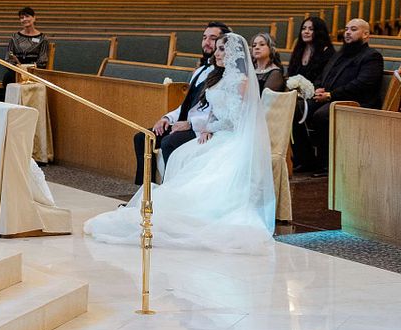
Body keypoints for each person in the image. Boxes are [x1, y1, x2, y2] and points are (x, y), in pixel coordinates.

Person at [87, 33, 276, 253]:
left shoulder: (242, 82)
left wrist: (207, 128)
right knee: (180, 154)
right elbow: (214, 110)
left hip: (233, 139)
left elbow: (236, 119)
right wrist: (207, 125)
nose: (217, 53)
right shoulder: (220, 77)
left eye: (222, 49)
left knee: (194, 162)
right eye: (217, 49)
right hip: (215, 132)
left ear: (235, 53)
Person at [131, 22, 230, 185]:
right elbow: (186, 105)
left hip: (202, 128)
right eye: (204, 38)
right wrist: (167, 119)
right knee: (143, 138)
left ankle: (169, 189)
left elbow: (218, 111)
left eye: (212, 39)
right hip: (184, 123)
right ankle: (145, 192)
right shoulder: (200, 71)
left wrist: (190, 124)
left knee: (168, 142)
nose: (206, 42)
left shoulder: (224, 74)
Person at [302, 18, 383, 177]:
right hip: (332, 97)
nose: (347, 32)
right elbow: (324, 75)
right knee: (298, 109)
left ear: (366, 34)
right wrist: (318, 88)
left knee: (322, 115)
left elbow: (362, 84)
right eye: (346, 29)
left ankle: (326, 164)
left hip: (357, 102)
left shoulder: (372, 56)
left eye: (353, 29)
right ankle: (305, 160)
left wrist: (331, 95)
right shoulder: (340, 53)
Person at [286, 16, 334, 172]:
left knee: (294, 108)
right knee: (286, 105)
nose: (306, 31)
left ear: (318, 32)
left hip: (316, 94)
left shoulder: (326, 51)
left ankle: (307, 158)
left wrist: (309, 90)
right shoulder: (299, 49)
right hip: (297, 94)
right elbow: (292, 73)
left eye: (310, 29)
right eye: (304, 28)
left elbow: (325, 77)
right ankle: (300, 156)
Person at [4, 6, 49, 86]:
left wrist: (27, 68)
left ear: (34, 18)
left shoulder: (42, 38)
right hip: (16, 70)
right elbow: (8, 58)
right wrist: (18, 68)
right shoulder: (14, 37)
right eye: (22, 18)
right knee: (8, 77)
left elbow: (43, 61)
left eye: (27, 16)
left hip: (34, 71)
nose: (24, 19)